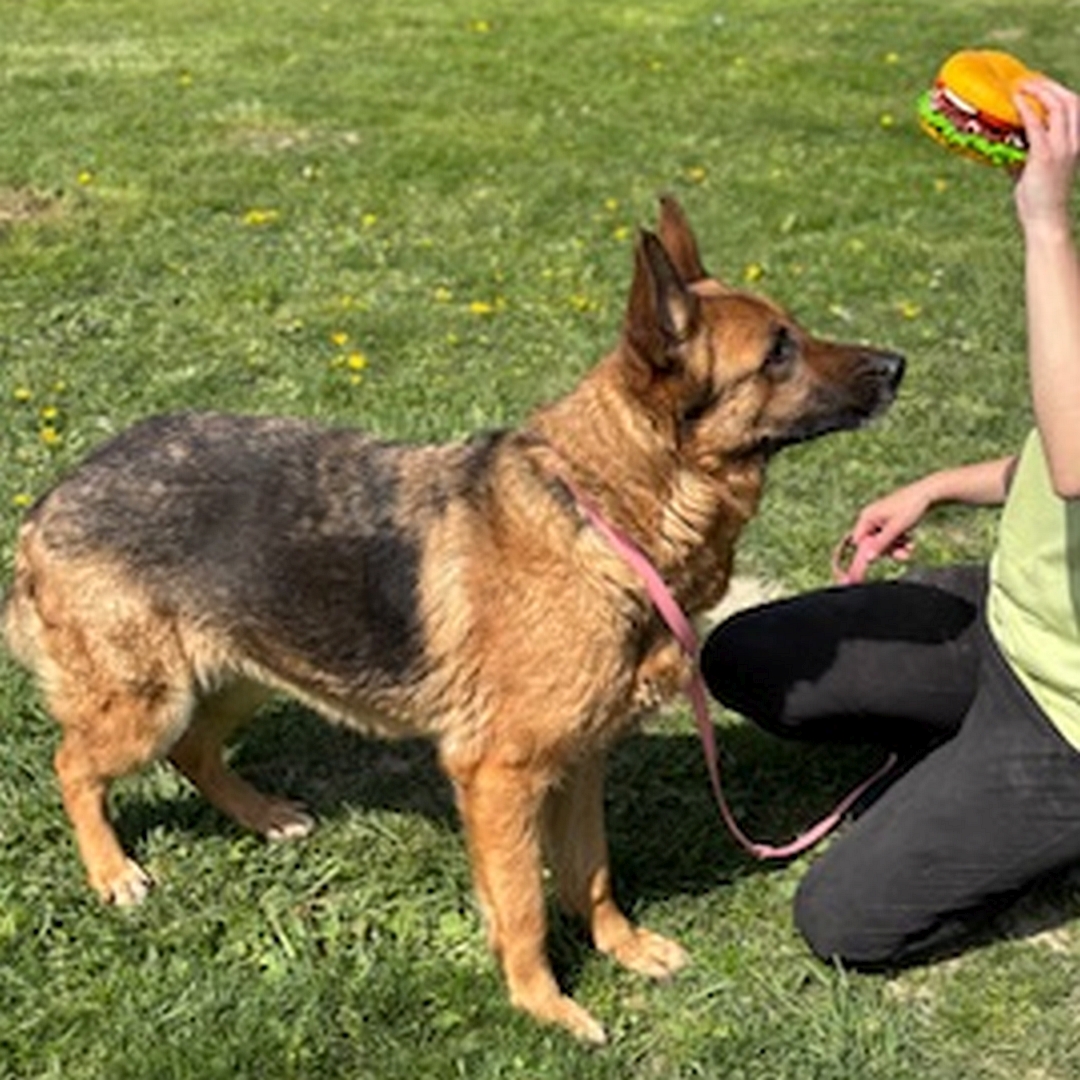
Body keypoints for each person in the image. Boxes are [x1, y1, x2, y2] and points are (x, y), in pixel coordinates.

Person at [699, 75, 1080, 968]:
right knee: (749, 658)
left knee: (847, 921)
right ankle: (964, 751)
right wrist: (942, 485)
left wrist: (1047, 226)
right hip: (1011, 622)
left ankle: (1033, 814)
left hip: (1069, 720)